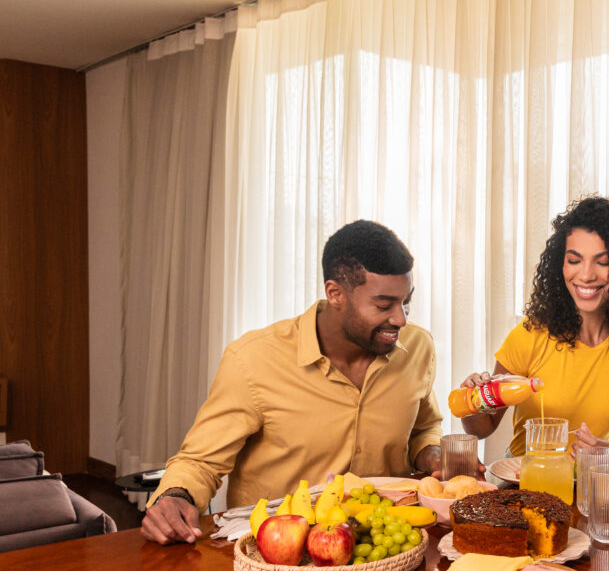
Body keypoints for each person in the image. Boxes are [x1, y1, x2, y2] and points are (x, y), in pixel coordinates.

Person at [142, 221, 444, 545]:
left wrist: (433, 454)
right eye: (384, 305)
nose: (401, 319)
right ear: (335, 293)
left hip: (386, 546)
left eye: (406, 302)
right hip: (276, 558)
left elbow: (422, 429)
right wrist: (175, 496)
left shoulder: (417, 348)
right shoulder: (253, 360)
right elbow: (201, 461)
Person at [460, 196, 609, 471]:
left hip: (593, 485)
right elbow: (482, 429)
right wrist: (473, 402)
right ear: (561, 265)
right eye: (574, 260)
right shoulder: (530, 335)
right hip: (524, 480)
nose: (586, 275)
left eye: (602, 262)